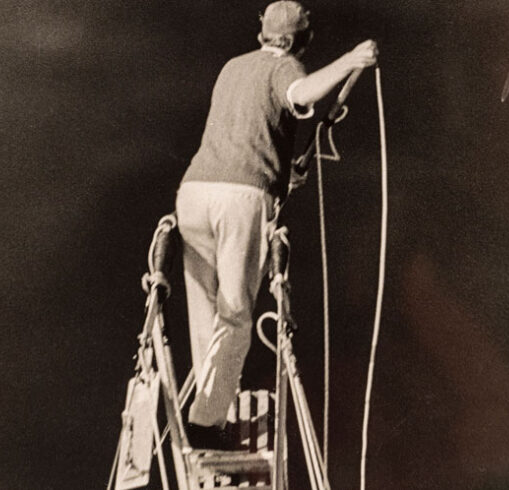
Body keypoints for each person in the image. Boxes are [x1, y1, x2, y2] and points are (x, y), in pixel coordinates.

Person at [175, 0, 378, 449]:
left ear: (262, 32)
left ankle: (210, 409)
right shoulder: (283, 66)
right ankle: (206, 424)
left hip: (194, 192)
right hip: (238, 200)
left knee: (206, 312)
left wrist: (284, 174)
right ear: (294, 41)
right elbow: (299, 95)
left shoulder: (232, 68)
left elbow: (247, 130)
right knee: (236, 316)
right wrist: (351, 61)